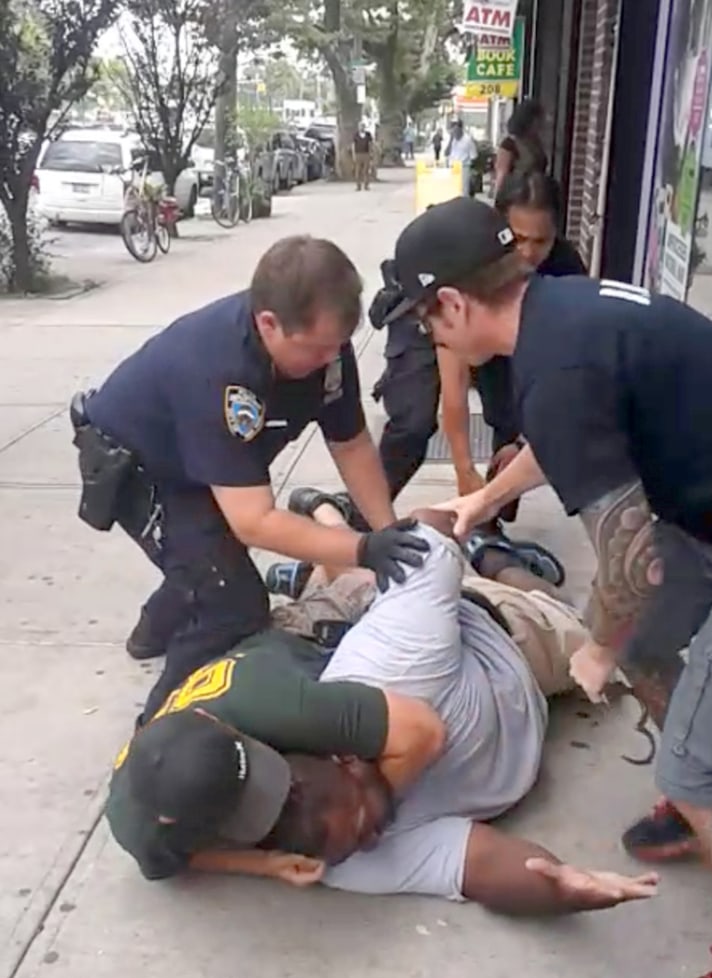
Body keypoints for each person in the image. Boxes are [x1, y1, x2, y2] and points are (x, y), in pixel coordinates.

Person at [381, 192, 712, 978]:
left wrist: (595, 646)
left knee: (699, 750)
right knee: (655, 649)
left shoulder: (551, 369)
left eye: (423, 320)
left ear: (453, 303)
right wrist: (484, 496)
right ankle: (705, 800)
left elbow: (633, 565)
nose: (428, 337)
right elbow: (574, 438)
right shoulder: (562, 313)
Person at [108, 492, 658, 919]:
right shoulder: (337, 853)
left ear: (346, 755)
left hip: (497, 635)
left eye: (366, 822)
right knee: (345, 590)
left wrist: (463, 514)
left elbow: (420, 543)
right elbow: (482, 867)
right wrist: (561, 888)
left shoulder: (377, 671)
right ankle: (325, 540)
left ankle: (482, 550)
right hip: (323, 649)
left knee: (576, 624)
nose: (371, 839)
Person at [71, 236, 428, 722]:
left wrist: (385, 529)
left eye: (337, 346)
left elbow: (351, 443)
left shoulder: (326, 348)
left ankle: (156, 627)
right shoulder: (219, 370)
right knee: (231, 603)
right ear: (268, 324)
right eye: (318, 349)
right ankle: (160, 738)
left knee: (208, 560)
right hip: (140, 465)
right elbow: (254, 521)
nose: (331, 360)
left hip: (199, 461)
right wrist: (361, 550)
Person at [366, 256, 564, 587]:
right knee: (412, 424)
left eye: (432, 329)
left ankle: (487, 539)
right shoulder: (530, 328)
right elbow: (453, 395)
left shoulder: (557, 350)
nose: (529, 253)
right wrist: (475, 484)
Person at [437, 172, 586, 515]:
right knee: (415, 422)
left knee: (520, 438)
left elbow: (571, 373)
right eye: (518, 238)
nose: (529, 253)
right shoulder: (469, 266)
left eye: (541, 241)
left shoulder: (566, 268)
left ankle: (493, 513)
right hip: (468, 344)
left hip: (534, 354)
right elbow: (455, 382)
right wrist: (463, 468)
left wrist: (525, 441)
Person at [493, 98, 548, 201]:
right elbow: (502, 174)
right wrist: (498, 202)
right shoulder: (510, 144)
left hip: (537, 195)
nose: (542, 122)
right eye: (539, 119)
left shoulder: (536, 142)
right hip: (518, 197)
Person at [445, 120, 478, 193]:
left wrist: (472, 170)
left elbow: (474, 156)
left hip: (464, 167)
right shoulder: (451, 140)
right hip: (453, 167)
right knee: (452, 190)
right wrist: (450, 141)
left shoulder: (468, 140)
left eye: (456, 130)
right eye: (453, 130)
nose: (455, 132)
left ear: (460, 129)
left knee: (463, 190)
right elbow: (446, 153)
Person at [353, 125, 373, 190]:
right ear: (358, 128)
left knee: (366, 170)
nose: (362, 128)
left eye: (363, 127)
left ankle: (366, 186)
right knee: (358, 170)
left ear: (364, 128)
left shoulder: (368, 134)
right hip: (358, 154)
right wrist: (354, 154)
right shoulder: (356, 135)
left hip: (366, 154)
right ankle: (358, 186)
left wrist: (371, 153)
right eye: (360, 127)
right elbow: (353, 145)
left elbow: (370, 144)